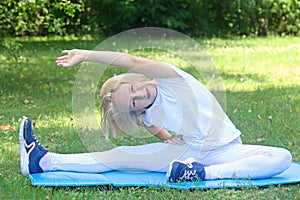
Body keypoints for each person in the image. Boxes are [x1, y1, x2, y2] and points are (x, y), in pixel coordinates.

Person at [20, 49, 292, 182]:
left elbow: (131, 60)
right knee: (120, 155)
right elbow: (151, 125)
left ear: (133, 79)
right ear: (137, 111)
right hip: (186, 154)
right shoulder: (147, 113)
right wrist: (167, 138)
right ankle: (43, 161)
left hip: (224, 150)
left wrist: (86, 55)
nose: (141, 96)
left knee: (281, 157)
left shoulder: (169, 79)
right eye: (135, 104)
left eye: (134, 90)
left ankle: (201, 174)